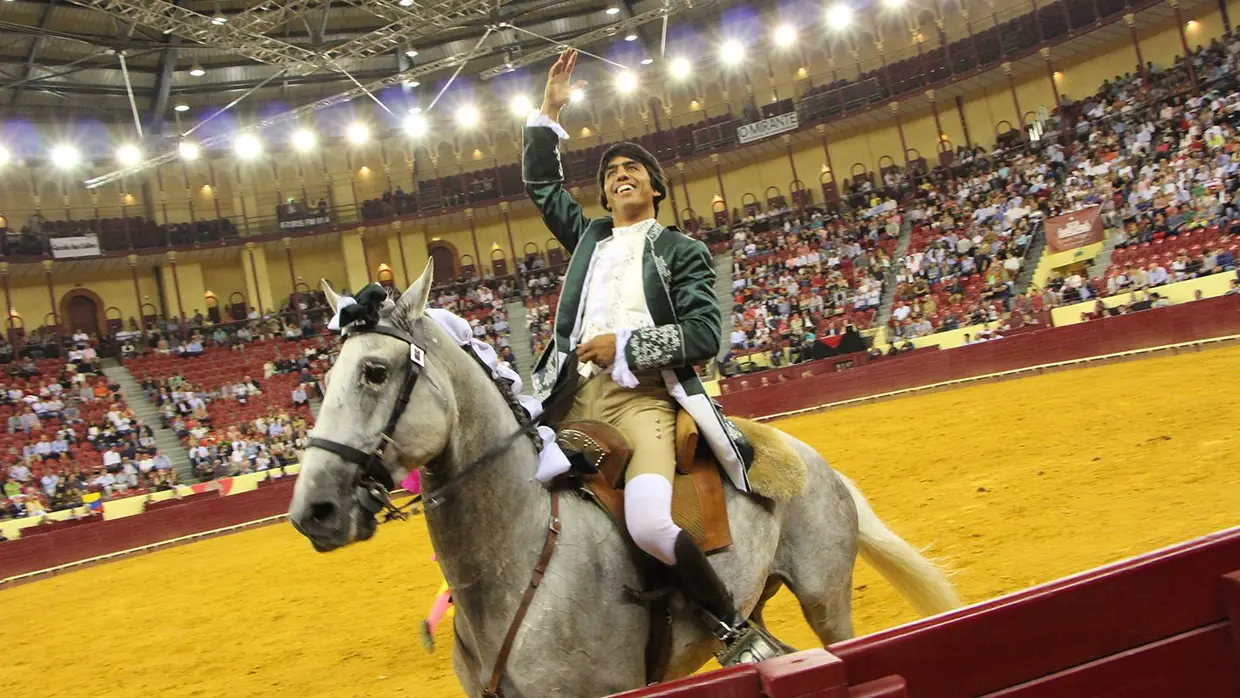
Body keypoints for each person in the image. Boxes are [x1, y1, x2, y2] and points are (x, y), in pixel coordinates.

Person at [522, 49, 775, 662]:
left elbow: (703, 334)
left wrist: (626, 346)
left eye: (633, 169)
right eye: (610, 174)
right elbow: (541, 184)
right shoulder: (588, 238)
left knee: (650, 526)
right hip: (566, 393)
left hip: (643, 400)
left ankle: (731, 627)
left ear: (656, 187)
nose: (619, 176)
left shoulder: (682, 250)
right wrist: (549, 111)